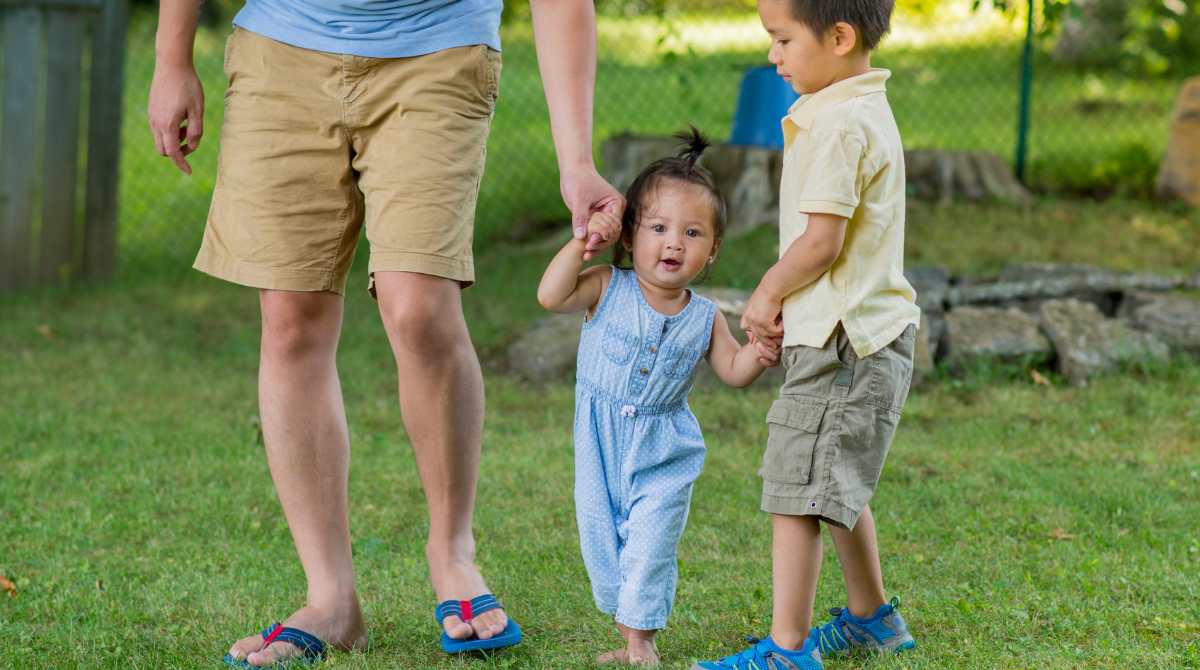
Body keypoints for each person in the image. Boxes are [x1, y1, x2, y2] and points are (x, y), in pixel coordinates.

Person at [146, 0, 624, 666]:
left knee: (418, 304)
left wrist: (577, 161)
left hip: (438, 51)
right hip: (281, 51)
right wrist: (172, 59)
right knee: (290, 321)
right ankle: (331, 599)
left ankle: (453, 555)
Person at [693, 1, 920, 668]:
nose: (774, 55)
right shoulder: (853, 108)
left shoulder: (840, 124)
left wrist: (767, 290)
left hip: (845, 346)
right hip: (854, 335)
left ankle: (787, 650)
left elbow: (822, 242)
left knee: (796, 490)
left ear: (840, 37)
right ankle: (871, 618)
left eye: (783, 39)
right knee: (833, 480)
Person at [538, 129, 778, 668]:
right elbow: (550, 295)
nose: (674, 243)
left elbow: (733, 371)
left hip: (665, 451)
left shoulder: (705, 316)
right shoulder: (606, 285)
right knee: (603, 541)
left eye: (693, 233)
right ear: (629, 236)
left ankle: (642, 643)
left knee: (650, 545)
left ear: (712, 251)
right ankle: (626, 636)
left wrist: (760, 354)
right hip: (599, 445)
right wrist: (581, 244)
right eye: (660, 228)